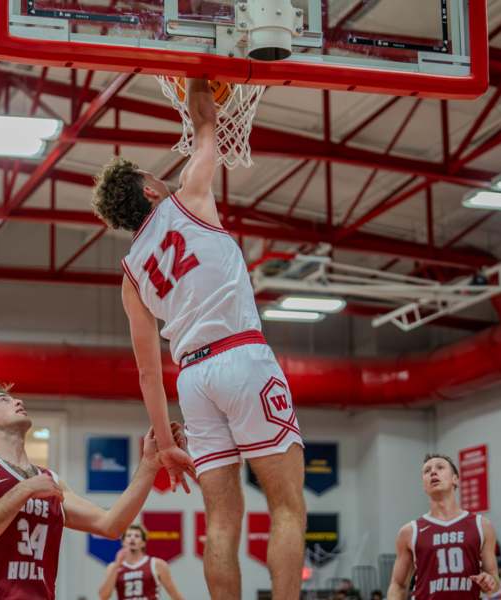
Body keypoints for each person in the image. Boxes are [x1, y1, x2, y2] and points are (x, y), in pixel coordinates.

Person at [92, 78, 306, 600]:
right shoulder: (189, 194)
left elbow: (148, 371)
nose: (159, 177)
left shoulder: (130, 276)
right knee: (286, 506)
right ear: (149, 191)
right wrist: (197, 76)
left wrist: (167, 446)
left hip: (193, 379)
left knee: (222, 519)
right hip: (241, 355)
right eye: (151, 176)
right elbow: (206, 125)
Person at [0, 383, 186, 600]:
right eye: (4, 400)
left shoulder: (49, 481)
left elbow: (110, 525)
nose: (18, 401)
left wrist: (149, 464)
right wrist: (24, 490)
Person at [386, 454, 499, 600]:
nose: (433, 472)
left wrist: (490, 582)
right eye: (427, 471)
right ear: (424, 485)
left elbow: (494, 581)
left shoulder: (482, 525)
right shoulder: (409, 532)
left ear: (455, 479)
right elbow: (398, 585)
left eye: (440, 467)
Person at [98, 524, 184, 600]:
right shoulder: (113, 567)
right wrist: (117, 565)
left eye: (137, 536)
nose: (132, 538)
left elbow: (175, 595)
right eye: (129, 535)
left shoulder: (157, 564)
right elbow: (103, 596)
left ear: (143, 543)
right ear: (123, 542)